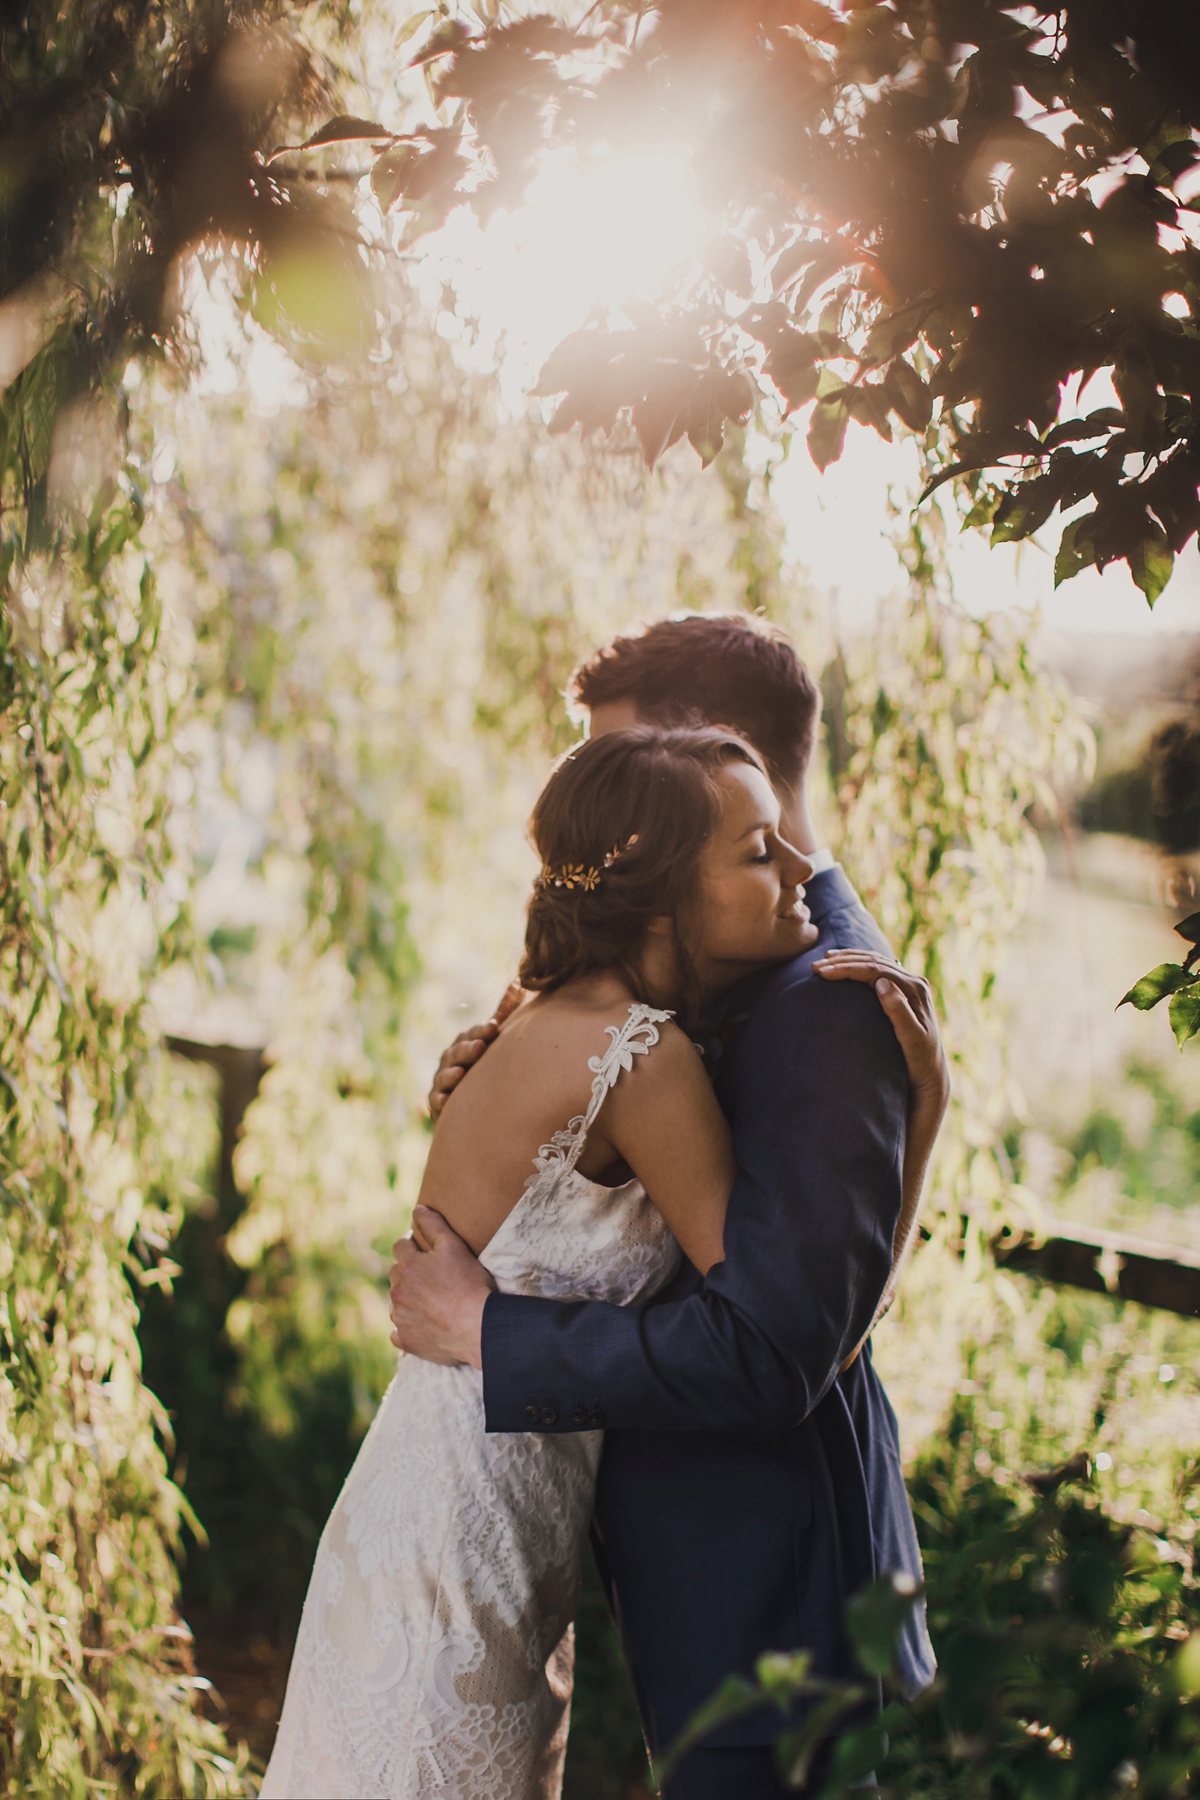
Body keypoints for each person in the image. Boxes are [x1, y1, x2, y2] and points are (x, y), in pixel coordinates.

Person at [390, 613, 947, 1799]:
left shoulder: (827, 997)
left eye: (622, 781)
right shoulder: (694, 976)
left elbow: (784, 1341)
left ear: (719, 759)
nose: (606, 825)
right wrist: (522, 1107)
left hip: (774, 1592)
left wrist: (489, 1331)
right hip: (690, 1559)